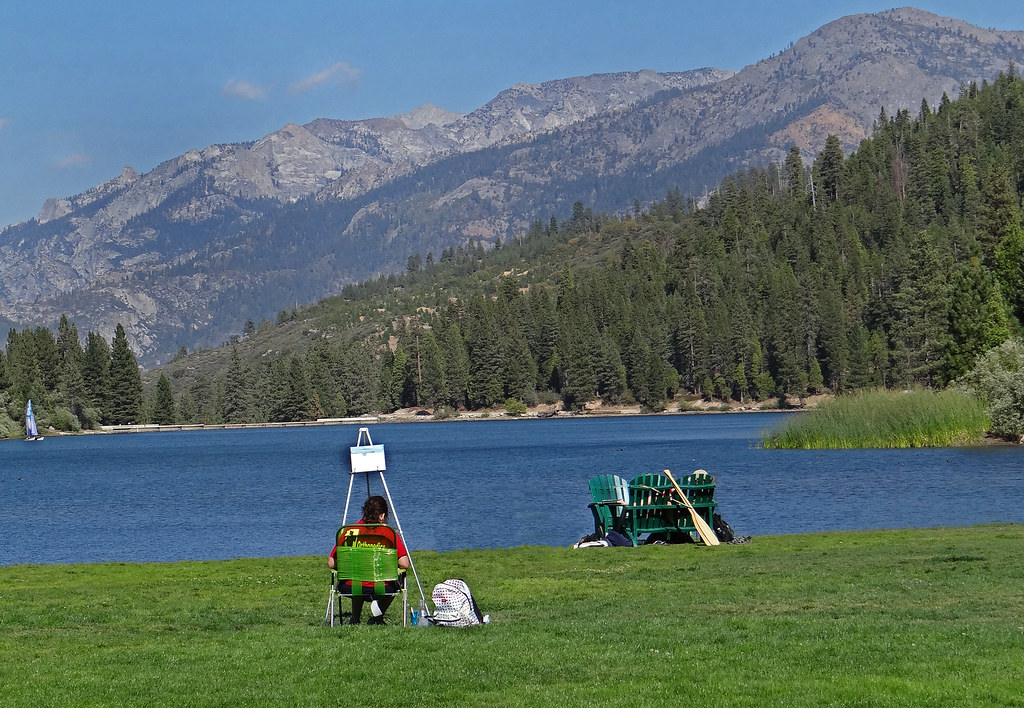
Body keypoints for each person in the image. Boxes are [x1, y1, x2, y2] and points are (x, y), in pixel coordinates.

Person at [328, 495, 410, 625]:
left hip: (350, 587)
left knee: (357, 575)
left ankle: (355, 618)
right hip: (383, 588)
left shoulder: (350, 531)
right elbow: (404, 563)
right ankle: (377, 616)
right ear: (382, 515)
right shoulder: (388, 533)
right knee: (397, 579)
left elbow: (331, 563)